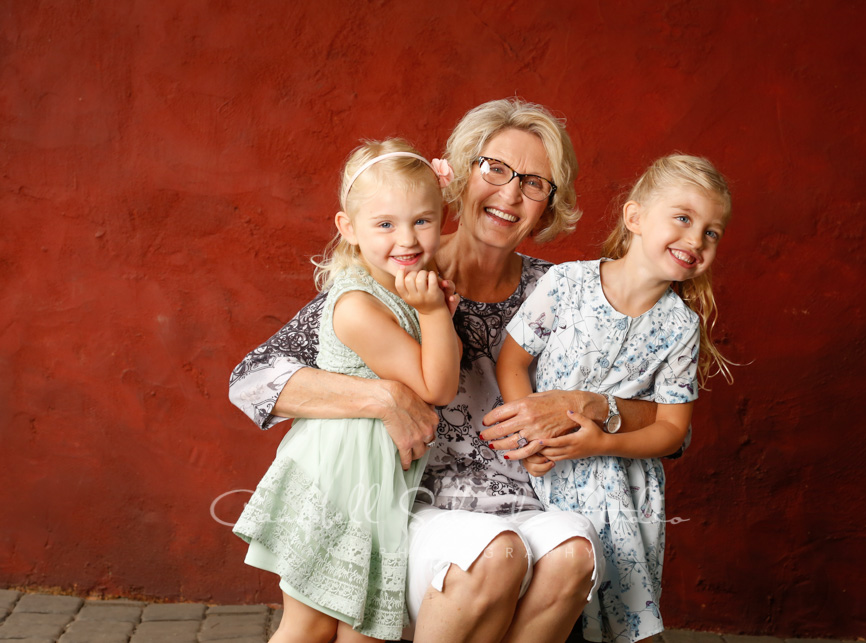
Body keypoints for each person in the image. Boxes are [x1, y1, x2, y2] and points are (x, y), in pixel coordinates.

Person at [229, 98, 657, 643]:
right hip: (410, 509)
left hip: (527, 503)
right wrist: (381, 396)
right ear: (457, 177)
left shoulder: (566, 293)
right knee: (496, 553)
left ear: (549, 206)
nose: (510, 194)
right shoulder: (397, 271)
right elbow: (252, 378)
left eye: (534, 183)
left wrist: (596, 406)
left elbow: (669, 423)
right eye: (495, 169)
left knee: (574, 551)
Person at [496, 154, 733, 643]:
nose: (696, 239)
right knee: (558, 599)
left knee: (626, 602)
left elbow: (671, 430)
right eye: (683, 218)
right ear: (635, 217)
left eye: (711, 232)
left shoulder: (681, 328)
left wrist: (601, 444)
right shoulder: (566, 284)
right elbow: (513, 361)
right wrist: (530, 437)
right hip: (548, 468)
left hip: (627, 486)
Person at [232, 138, 461, 643]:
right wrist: (435, 314)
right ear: (348, 229)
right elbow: (437, 387)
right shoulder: (359, 306)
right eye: (385, 224)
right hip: (337, 481)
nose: (407, 238)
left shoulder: (403, 285)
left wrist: (431, 310)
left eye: (423, 220)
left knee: (367, 629)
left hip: (376, 482)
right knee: (308, 627)